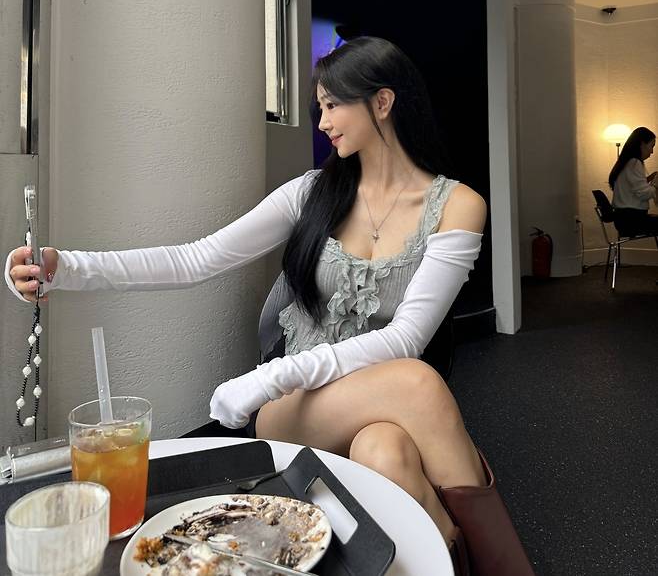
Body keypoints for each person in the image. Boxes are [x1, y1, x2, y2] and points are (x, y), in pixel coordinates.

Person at [6, 37, 534, 576]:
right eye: (319, 107)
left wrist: (269, 375)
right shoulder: (312, 193)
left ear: (382, 102)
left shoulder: (457, 206)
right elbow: (197, 258)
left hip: (351, 395)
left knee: (386, 452)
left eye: (333, 105)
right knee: (417, 384)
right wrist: (69, 268)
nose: (323, 123)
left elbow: (407, 339)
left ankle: (452, 550)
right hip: (295, 405)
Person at [609, 126, 658, 237]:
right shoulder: (634, 163)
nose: (652, 151)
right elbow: (644, 194)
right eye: (652, 146)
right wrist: (656, 184)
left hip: (623, 219)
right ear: (642, 144)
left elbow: (633, 187)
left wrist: (648, 179)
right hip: (632, 221)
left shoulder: (626, 162)